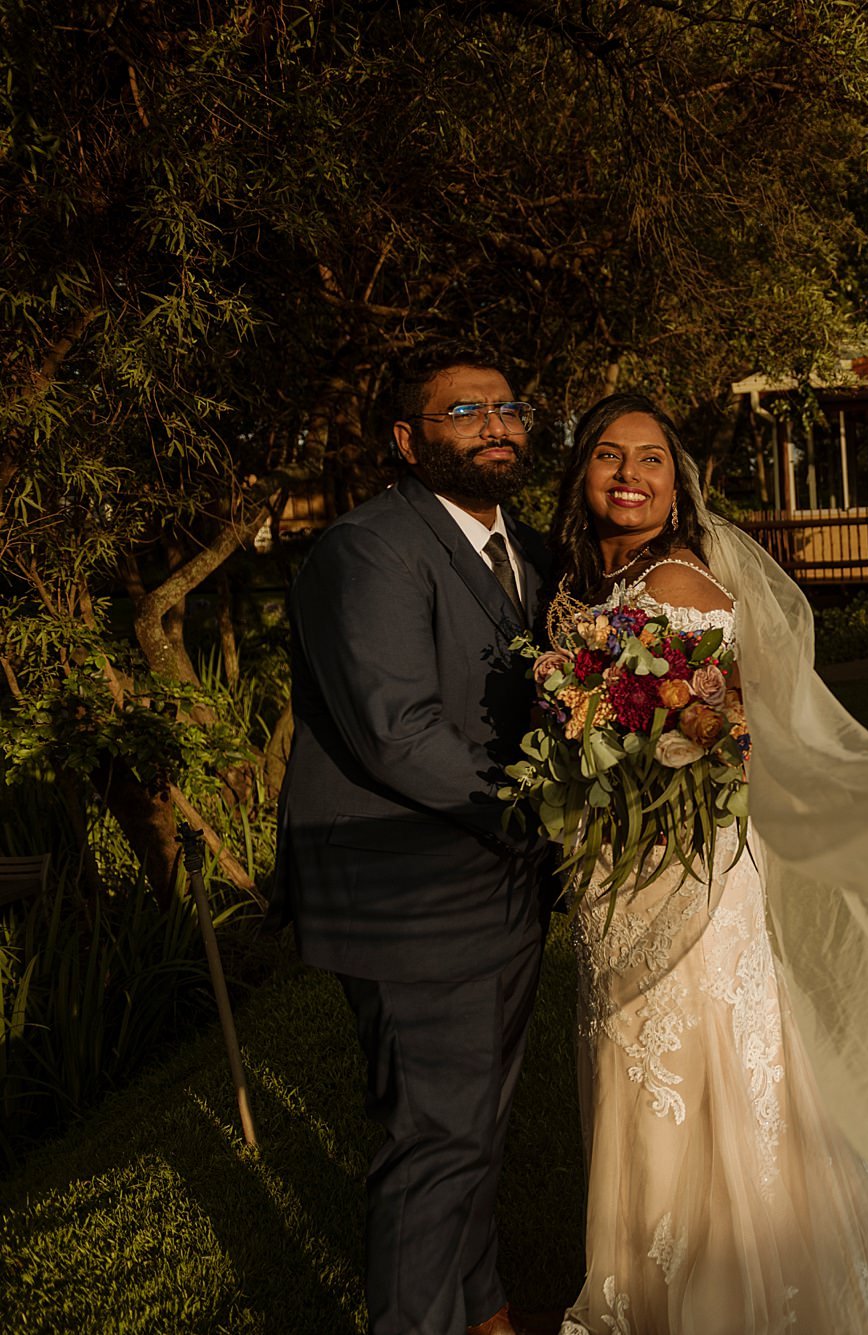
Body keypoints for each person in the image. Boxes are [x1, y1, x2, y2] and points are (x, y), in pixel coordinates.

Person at [548, 394, 868, 1334]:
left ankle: (734, 1287)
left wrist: (668, 730)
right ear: (581, 476)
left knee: (697, 1048)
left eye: (651, 457)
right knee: (632, 1051)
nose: (631, 474)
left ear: (678, 480)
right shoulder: (585, 587)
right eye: (609, 455)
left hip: (689, 861)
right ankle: (641, 1279)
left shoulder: (681, 580)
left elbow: (738, 722)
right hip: (618, 862)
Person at [276, 345, 553, 1335]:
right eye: (464, 410)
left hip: (503, 890)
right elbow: (399, 736)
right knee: (437, 1145)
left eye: (508, 407)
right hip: (414, 895)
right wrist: (550, 809)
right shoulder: (369, 549)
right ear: (406, 439)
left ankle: (483, 1318)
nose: (496, 424)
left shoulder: (524, 544)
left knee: (470, 1136)